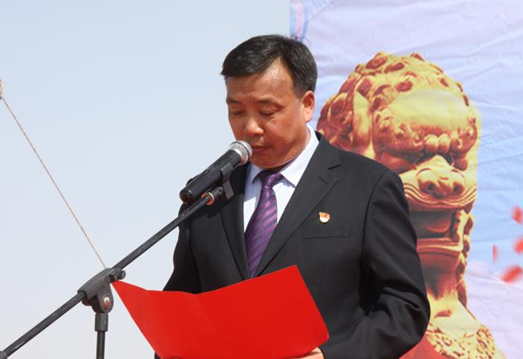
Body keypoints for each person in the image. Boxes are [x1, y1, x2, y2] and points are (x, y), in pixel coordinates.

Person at [162, 35, 430, 359]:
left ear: (307, 105)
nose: (250, 128)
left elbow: (405, 306)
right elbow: (183, 308)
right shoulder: (209, 195)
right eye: (236, 111)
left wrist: (332, 356)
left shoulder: (368, 186)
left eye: (267, 111)